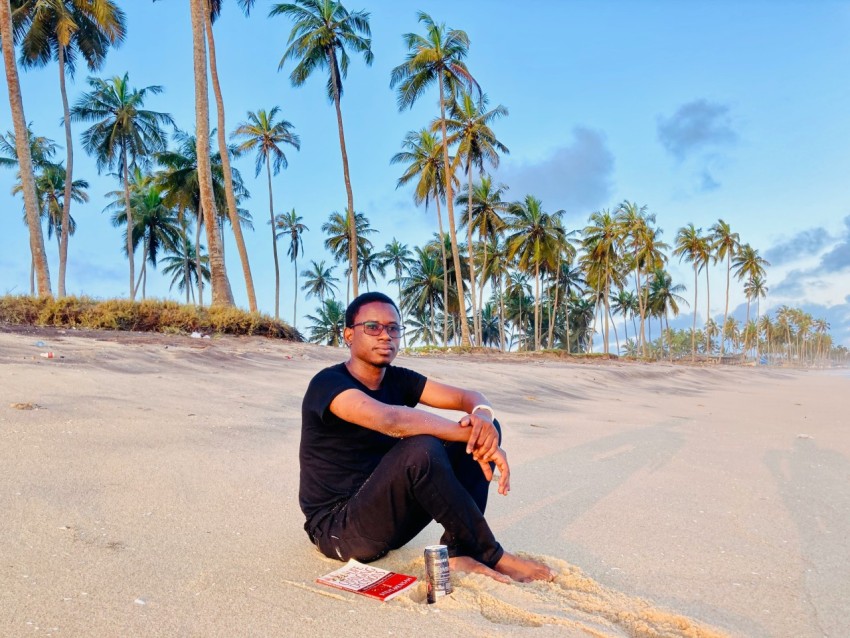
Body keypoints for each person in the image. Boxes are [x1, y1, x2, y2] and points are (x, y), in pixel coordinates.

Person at [299, 292, 553, 583]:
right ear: (348, 335)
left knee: (482, 432)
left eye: (393, 328)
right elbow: (389, 420)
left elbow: (466, 396)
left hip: (387, 519)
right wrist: (471, 433)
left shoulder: (398, 379)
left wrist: (482, 418)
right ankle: (489, 552)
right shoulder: (328, 383)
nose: (385, 336)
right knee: (422, 448)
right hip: (338, 531)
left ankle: (457, 552)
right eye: (372, 327)